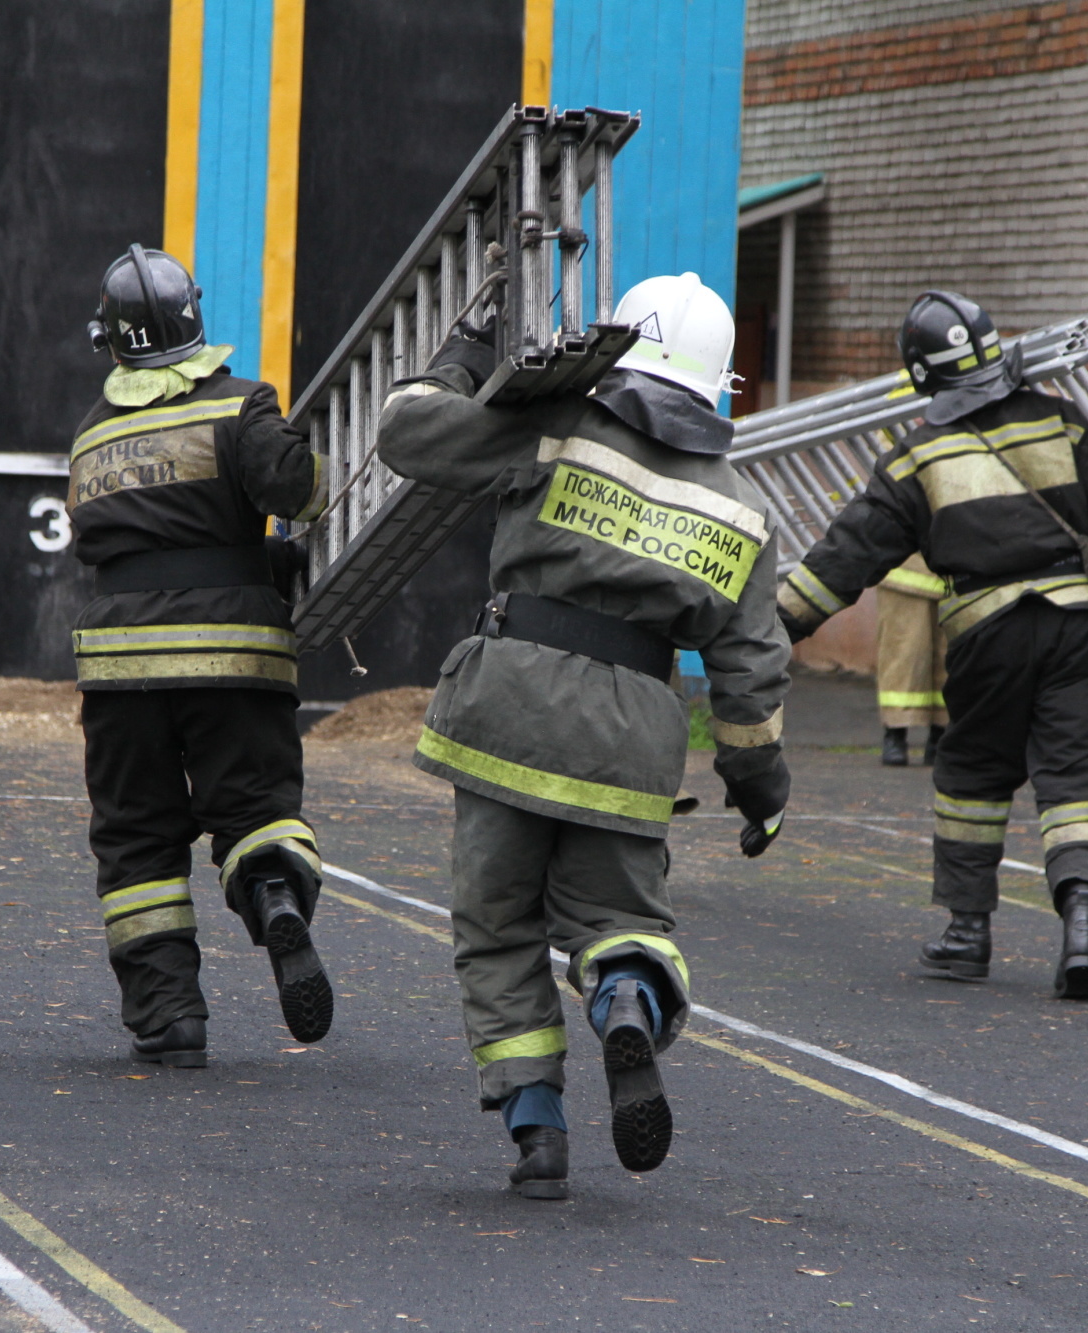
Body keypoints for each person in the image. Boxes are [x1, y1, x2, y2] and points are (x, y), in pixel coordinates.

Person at [376, 273, 791, 1199]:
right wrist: (760, 787)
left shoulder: (555, 424)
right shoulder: (743, 510)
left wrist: (465, 357)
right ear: (720, 382)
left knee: (497, 925)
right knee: (618, 921)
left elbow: (407, 433)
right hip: (632, 739)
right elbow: (751, 674)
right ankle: (627, 999)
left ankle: (537, 1131)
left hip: (508, 712)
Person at [777, 290, 1088, 1000]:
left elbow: (845, 558)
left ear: (923, 377)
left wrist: (769, 627)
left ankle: (967, 933)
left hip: (988, 635)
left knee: (972, 772)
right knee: (1082, 774)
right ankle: (1082, 922)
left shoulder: (916, 454)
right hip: (1083, 627)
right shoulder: (1066, 420)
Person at [68, 243, 333, 1068]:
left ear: (112, 342)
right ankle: (274, 893)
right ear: (196, 320)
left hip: (120, 672)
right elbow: (297, 489)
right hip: (231, 655)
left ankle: (168, 1015)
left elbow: (130, 549)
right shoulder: (238, 405)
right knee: (254, 807)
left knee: (139, 840)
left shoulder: (89, 437)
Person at [875, 555, 949, 766]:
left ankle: (941, 734)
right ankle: (895, 732)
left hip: (956, 570)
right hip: (904, 568)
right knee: (902, 654)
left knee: (950, 657)